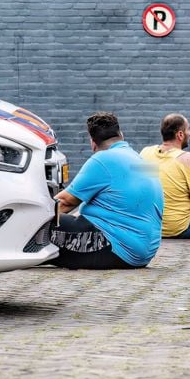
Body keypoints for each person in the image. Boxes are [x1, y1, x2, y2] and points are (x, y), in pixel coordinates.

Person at [50, 112, 163, 269]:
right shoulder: (141, 161)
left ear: (93, 143)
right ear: (121, 135)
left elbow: (66, 202)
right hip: (144, 252)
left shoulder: (103, 159)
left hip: (116, 247)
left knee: (39, 223)